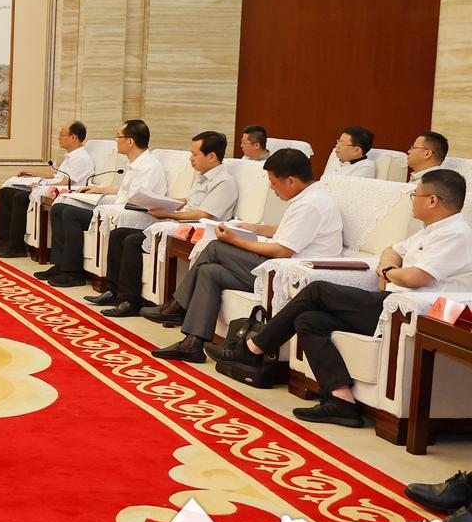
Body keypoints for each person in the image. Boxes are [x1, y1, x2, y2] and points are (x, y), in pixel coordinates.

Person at [208, 169, 472, 427]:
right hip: (389, 305)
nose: (412, 200)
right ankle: (341, 400)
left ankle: (252, 349)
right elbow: (391, 250)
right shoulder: (430, 230)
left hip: (412, 314)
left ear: (432, 200)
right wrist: (388, 268)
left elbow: (415, 278)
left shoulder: (456, 235)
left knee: (317, 290)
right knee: (308, 320)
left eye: (416, 195)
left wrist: (387, 272)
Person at [148, 148, 344, 362]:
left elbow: (281, 250)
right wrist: (252, 228)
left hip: (290, 275)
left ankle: (176, 306)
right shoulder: (308, 198)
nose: (272, 188)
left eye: (273, 183)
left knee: (215, 248)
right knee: (209, 272)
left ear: (290, 181)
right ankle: (192, 344)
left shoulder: (310, 204)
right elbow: (286, 231)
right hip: (276, 268)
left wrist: (235, 240)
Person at [93, 131, 238, 317]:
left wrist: (168, 213)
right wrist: (162, 202)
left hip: (197, 229)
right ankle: (113, 290)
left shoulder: (224, 182)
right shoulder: (203, 176)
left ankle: (130, 301)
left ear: (211, 156)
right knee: (119, 234)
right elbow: (189, 201)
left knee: (132, 241)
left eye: (195, 154)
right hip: (180, 221)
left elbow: (203, 214)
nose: (191, 159)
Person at [36, 119, 168, 288]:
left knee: (70, 213)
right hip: (120, 208)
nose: (116, 140)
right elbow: (125, 192)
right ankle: (61, 264)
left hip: (135, 215)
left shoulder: (149, 166)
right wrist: (100, 190)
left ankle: (72, 272)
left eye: (118, 136)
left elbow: (136, 201)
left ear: (130, 141)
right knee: (59, 207)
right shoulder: (135, 163)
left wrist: (103, 204)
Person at [0, 121, 93, 259]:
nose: (58, 138)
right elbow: (55, 175)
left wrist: (40, 186)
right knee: (6, 192)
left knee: (19, 197)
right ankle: (5, 238)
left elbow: (65, 183)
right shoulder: (71, 155)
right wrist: (32, 174)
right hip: (50, 187)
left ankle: (16, 246)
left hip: (63, 193)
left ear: (74, 138)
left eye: (62, 135)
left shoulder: (81, 158)